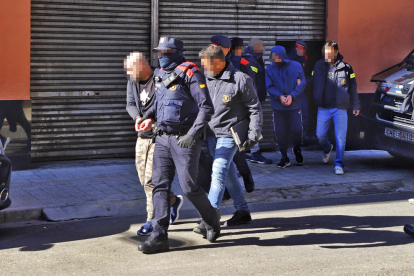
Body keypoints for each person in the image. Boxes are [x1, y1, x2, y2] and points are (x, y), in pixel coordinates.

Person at [137, 37, 220, 254]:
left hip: (185, 140)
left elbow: (206, 107)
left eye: (165, 52)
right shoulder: (160, 75)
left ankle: (212, 218)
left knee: (189, 186)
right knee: (159, 186)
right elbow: (159, 104)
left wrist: (193, 134)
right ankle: (158, 236)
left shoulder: (191, 73)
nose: (161, 56)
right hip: (163, 139)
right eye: (159, 52)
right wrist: (148, 118)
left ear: (176, 52)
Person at [193, 44, 262, 235]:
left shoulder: (240, 79)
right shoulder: (205, 78)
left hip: (230, 134)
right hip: (211, 134)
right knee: (228, 173)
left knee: (218, 171)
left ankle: (209, 217)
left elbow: (255, 108)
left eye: (206, 64)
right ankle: (242, 211)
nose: (203, 68)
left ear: (220, 62)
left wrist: (253, 134)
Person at [124, 52, 184, 236]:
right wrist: (137, 117)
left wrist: (153, 121)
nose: (128, 74)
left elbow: (168, 106)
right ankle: (172, 201)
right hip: (142, 137)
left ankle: (152, 219)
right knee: (144, 180)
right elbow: (130, 103)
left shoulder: (161, 79)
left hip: (159, 137)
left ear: (142, 66)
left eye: (130, 70)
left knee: (152, 181)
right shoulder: (133, 82)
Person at [210, 35, 255, 193]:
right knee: (217, 159)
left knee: (238, 155)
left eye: (218, 47)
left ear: (227, 49)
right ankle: (227, 190)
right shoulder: (209, 63)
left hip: (234, 118)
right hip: (215, 119)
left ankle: (246, 176)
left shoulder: (241, 63)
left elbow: (250, 89)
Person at [309, 40, 360, 175]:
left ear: (336, 52)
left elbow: (353, 87)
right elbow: (312, 81)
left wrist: (356, 105)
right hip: (323, 108)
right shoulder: (319, 65)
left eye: (330, 52)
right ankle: (327, 149)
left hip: (340, 108)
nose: (328, 55)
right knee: (320, 135)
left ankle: (339, 164)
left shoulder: (347, 68)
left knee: (341, 137)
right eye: (326, 53)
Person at [265, 46, 306, 168]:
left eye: (277, 56)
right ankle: (284, 156)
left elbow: (303, 83)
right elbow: (269, 86)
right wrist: (280, 97)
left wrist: (292, 96)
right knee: (280, 132)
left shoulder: (296, 66)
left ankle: (297, 149)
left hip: (294, 105)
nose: (275, 59)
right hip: (278, 107)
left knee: (297, 130)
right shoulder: (270, 69)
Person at [243, 38, 273, 164]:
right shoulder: (252, 61)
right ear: (256, 48)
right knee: (255, 125)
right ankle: (254, 152)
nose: (263, 48)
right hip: (253, 100)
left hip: (254, 98)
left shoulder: (255, 59)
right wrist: (254, 100)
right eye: (261, 46)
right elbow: (252, 81)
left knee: (252, 125)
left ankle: (250, 150)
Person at [287, 40, 314, 143]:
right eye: (300, 49)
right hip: (289, 91)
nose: (302, 51)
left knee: (304, 111)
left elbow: (308, 74)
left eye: (303, 50)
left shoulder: (305, 59)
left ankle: (304, 136)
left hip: (301, 90)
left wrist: (305, 82)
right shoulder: (289, 59)